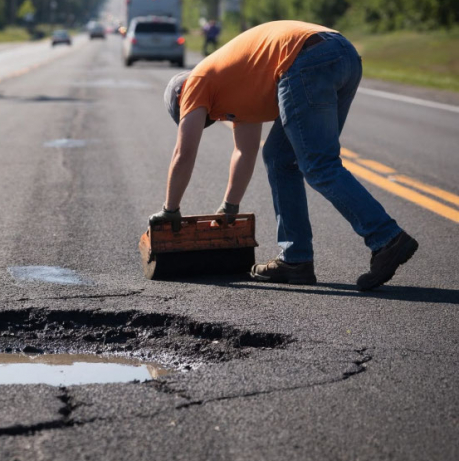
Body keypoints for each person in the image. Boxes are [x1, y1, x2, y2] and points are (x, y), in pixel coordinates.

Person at [150, 20, 417, 291]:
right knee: (279, 157)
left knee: (318, 164)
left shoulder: (195, 83)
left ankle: (387, 238)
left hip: (306, 57)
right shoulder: (232, 86)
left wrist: (170, 210)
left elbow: (184, 152)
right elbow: (245, 150)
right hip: (341, 54)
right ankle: (295, 259)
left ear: (181, 98)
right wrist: (229, 207)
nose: (211, 118)